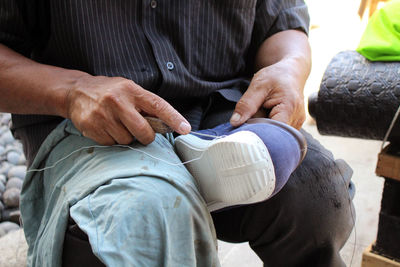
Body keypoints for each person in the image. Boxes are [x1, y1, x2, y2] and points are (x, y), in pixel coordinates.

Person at [0, 1, 355, 266]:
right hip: (89, 122)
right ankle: (155, 186)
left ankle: (195, 158)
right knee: (138, 218)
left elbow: (282, 21)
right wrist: (72, 90)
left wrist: (288, 68)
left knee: (315, 192)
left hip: (224, 107)